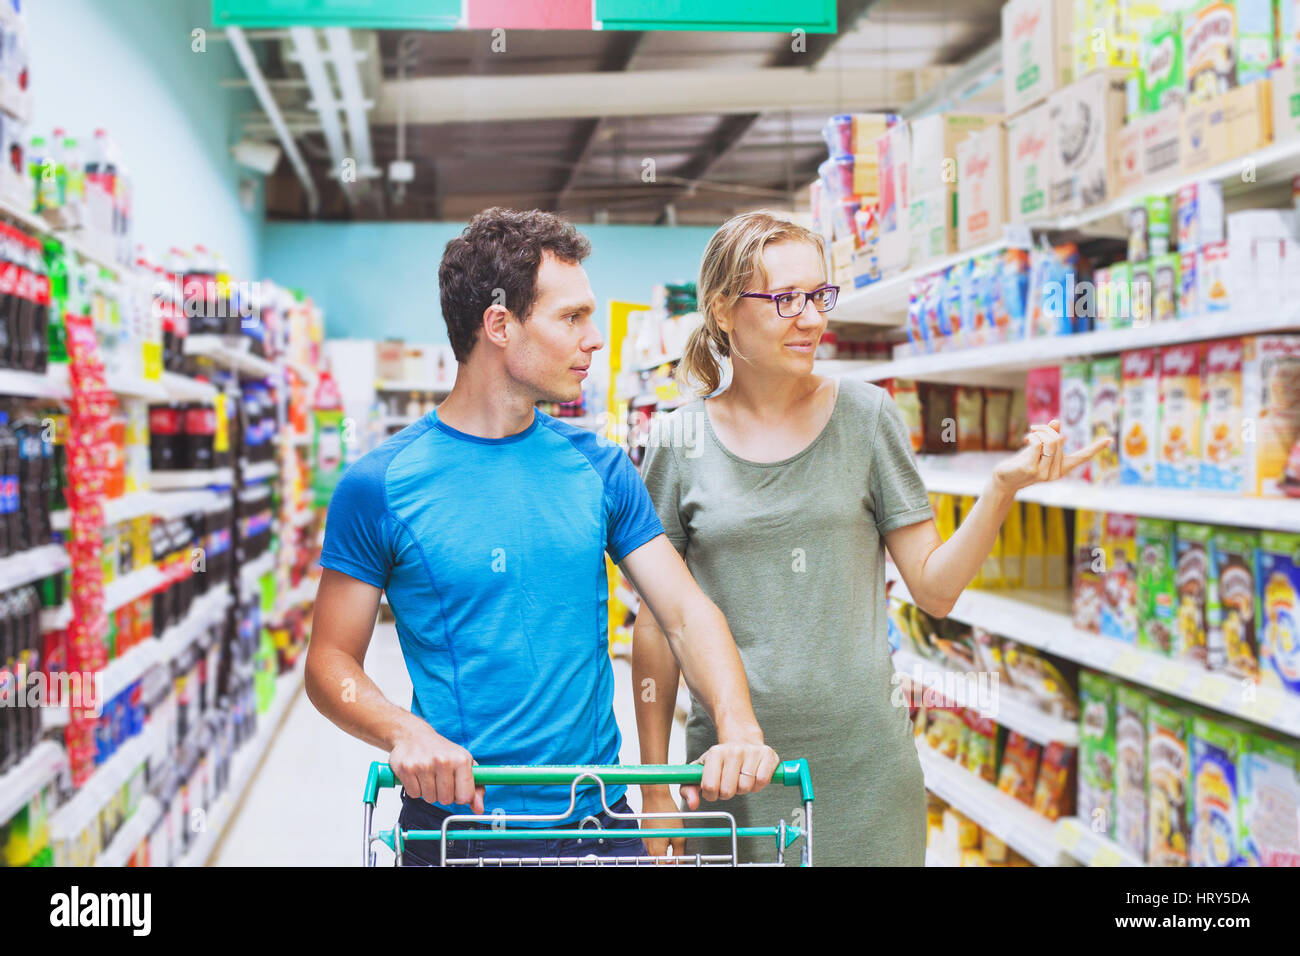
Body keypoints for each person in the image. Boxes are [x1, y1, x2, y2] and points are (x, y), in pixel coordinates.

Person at [633, 211, 1109, 866]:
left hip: (866, 770)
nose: (810, 318)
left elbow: (935, 592)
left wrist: (1000, 491)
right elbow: (657, 626)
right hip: (733, 775)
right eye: (785, 298)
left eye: (819, 296)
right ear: (721, 309)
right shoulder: (676, 441)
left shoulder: (868, 417)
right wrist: (656, 784)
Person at [307, 207, 778, 866]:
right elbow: (331, 663)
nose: (595, 340)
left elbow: (684, 612)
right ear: (500, 325)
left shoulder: (602, 468)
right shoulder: (380, 486)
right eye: (572, 318)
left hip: (600, 821)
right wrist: (402, 730)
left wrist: (738, 725)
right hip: (455, 830)